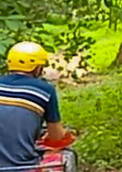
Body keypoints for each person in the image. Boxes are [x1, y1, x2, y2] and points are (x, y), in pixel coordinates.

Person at [0, 42, 76, 171]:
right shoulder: (44, 90)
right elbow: (56, 136)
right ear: (37, 68)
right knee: (67, 156)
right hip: (22, 167)